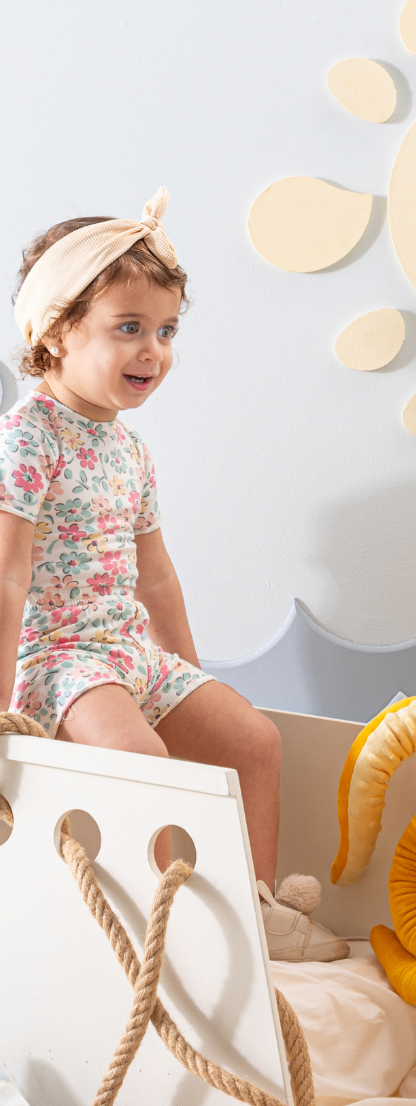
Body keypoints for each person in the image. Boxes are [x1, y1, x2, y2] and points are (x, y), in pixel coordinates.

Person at [0, 189, 347, 958]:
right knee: (141, 765)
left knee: (253, 740)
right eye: (129, 328)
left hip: (126, 651)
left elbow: (155, 579)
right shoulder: (28, 439)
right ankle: (169, 931)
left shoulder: (128, 448)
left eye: (165, 331)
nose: (153, 351)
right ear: (55, 330)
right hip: (57, 658)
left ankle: (253, 911)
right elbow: (7, 580)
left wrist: (186, 683)